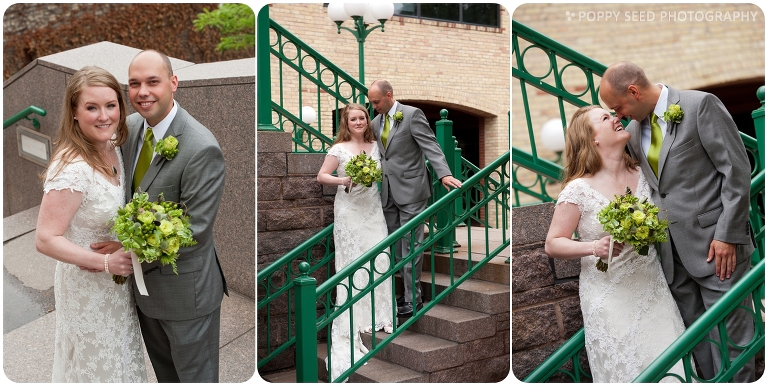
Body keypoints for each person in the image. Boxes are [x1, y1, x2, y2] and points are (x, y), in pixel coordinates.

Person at [599, 61, 755, 382]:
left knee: (733, 336)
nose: (618, 115)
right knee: (699, 339)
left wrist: (727, 235)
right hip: (670, 256)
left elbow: (736, 173)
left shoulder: (700, 106)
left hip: (717, 247)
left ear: (634, 91)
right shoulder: (630, 132)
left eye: (618, 107)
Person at [91, 49, 228, 382]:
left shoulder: (200, 146)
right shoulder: (130, 127)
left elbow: (193, 230)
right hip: (143, 293)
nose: (142, 92)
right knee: (166, 376)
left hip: (186, 297)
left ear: (173, 82)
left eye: (153, 82)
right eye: (134, 84)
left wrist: (126, 251)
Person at [545, 105, 689, 382]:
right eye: (605, 118)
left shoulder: (645, 173)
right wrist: (593, 247)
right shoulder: (578, 189)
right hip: (610, 299)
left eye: (613, 114)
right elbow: (553, 244)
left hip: (654, 290)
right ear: (592, 138)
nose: (616, 119)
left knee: (673, 366)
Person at [35, 66, 148, 382]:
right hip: (86, 285)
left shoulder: (113, 146)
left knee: (120, 356)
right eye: (91, 107)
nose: (104, 116)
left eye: (111, 105)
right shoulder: (71, 166)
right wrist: (105, 261)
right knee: (94, 364)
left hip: (116, 285)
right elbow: (45, 238)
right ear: (74, 112)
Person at [367, 80, 462, 318]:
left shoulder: (411, 115)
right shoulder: (375, 122)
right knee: (396, 247)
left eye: (376, 101)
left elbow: (430, 145)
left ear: (389, 95)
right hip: (387, 193)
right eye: (371, 102)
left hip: (412, 191)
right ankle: (404, 293)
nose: (373, 106)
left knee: (412, 246)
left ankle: (414, 299)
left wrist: (444, 174)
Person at [317, 103, 394, 382]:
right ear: (346, 123)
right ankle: (356, 315)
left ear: (367, 121)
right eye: (354, 119)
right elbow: (322, 176)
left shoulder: (377, 146)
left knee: (381, 256)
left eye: (362, 117)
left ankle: (382, 314)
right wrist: (344, 180)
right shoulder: (338, 148)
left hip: (373, 211)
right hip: (349, 212)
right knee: (353, 262)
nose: (359, 122)